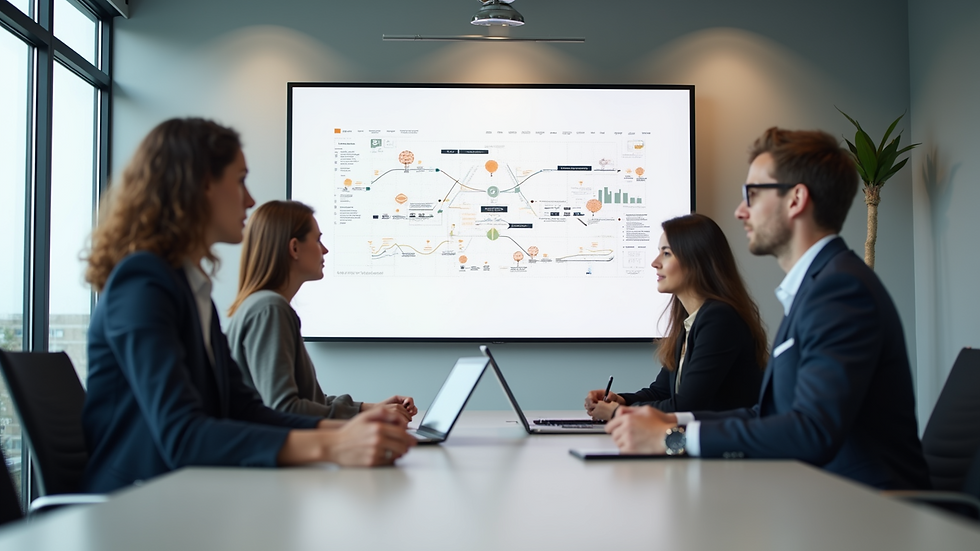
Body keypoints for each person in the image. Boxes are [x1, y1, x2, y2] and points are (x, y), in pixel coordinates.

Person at [82, 118, 416, 493]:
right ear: (201, 184)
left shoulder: (190, 288)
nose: (250, 199)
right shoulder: (142, 282)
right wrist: (334, 444)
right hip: (134, 506)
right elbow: (182, 435)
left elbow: (246, 411)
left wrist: (353, 430)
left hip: (184, 493)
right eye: (240, 180)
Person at [605, 127, 930, 490]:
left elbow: (812, 431)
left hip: (867, 512)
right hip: (821, 498)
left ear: (796, 200)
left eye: (753, 195)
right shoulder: (817, 287)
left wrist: (671, 439)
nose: (740, 211)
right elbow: (769, 415)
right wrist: (667, 422)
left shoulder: (840, 291)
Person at [226, 200, 418, 420]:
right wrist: (367, 420)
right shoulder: (271, 310)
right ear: (294, 247)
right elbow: (285, 410)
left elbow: (307, 402)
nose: (325, 249)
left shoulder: (263, 306)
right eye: (318, 240)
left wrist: (370, 409)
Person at [584, 213, 767, 419]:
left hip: (723, 447)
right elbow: (661, 392)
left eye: (666, 253)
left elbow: (687, 406)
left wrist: (619, 412)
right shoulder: (690, 322)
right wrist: (622, 400)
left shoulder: (719, 319)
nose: (655, 263)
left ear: (696, 259)